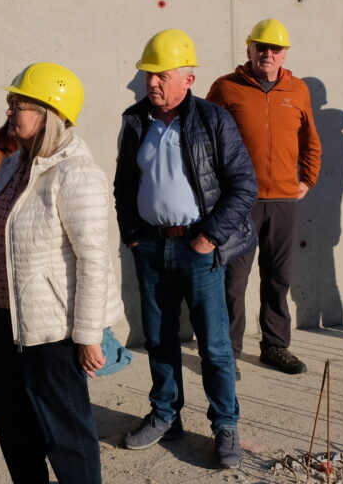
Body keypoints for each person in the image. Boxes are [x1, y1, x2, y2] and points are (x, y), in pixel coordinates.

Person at [0, 62, 123, 484]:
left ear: (49, 114)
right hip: (5, 321)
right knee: (12, 424)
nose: (10, 110)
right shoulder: (15, 165)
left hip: (52, 332)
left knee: (66, 435)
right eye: (12, 102)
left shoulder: (76, 173)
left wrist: (89, 334)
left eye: (20, 104)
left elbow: (94, 259)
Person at [114, 29, 256, 469]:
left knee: (214, 346)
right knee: (159, 340)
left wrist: (208, 237)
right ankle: (164, 416)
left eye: (161, 75)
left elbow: (243, 185)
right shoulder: (135, 121)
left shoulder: (214, 120)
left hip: (199, 250)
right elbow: (123, 186)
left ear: (187, 80)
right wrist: (133, 236)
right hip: (152, 250)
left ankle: (225, 426)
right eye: (147, 75)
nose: (151, 83)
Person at [207, 18, 321, 376]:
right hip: (240, 202)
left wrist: (308, 179)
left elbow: (310, 140)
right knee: (233, 281)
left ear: (284, 54)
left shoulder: (298, 90)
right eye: (261, 48)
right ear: (249, 49)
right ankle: (228, 353)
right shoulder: (226, 88)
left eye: (275, 49)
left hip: (284, 201)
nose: (267, 55)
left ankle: (275, 346)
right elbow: (206, 141)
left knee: (278, 277)